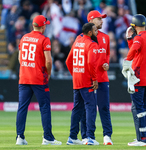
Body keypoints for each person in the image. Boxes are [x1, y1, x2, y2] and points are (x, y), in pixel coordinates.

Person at [16, 15, 62, 146]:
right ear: (42, 26)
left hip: (24, 78)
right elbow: (48, 60)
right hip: (38, 78)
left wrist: (27, 68)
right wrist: (48, 74)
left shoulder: (24, 38)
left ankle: (20, 137)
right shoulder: (44, 39)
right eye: (45, 24)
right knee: (45, 108)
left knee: (22, 108)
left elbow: (20, 59)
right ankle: (47, 137)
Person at [80, 10, 113, 145]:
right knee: (86, 108)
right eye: (99, 19)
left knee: (104, 107)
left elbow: (107, 55)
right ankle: (86, 136)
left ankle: (107, 136)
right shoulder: (82, 38)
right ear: (92, 20)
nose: (102, 21)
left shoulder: (105, 37)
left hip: (103, 78)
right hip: (87, 79)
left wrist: (107, 64)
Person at [122, 14, 146, 146]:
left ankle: (142, 139)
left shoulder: (140, 38)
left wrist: (126, 62)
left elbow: (134, 49)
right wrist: (130, 39)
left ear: (134, 26)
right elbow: (138, 51)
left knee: (137, 108)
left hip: (138, 78)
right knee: (142, 107)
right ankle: (145, 137)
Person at [65, 23, 99, 145]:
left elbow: (68, 61)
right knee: (90, 107)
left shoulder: (77, 41)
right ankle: (90, 137)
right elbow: (91, 63)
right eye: (95, 30)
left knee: (77, 108)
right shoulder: (92, 44)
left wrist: (75, 74)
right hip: (86, 81)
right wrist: (94, 79)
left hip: (77, 80)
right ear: (89, 32)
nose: (97, 32)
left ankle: (72, 137)